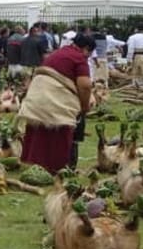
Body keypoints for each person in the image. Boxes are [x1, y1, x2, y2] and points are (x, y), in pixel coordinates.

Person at [19, 34, 95, 173]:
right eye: (89, 54)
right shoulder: (79, 58)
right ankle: (56, 166)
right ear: (86, 49)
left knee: (39, 130)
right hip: (53, 95)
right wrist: (84, 107)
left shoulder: (58, 53)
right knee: (61, 128)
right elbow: (85, 85)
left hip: (37, 94)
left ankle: (35, 162)